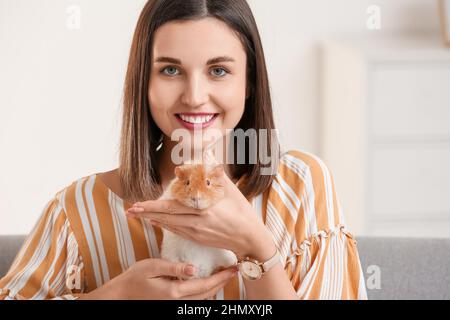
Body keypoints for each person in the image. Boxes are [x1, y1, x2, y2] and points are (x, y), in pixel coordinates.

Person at [0, 0, 367, 300]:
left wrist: (257, 247)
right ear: (143, 82)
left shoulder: (301, 187)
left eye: (219, 71)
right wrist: (117, 296)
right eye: (171, 70)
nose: (194, 97)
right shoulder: (78, 209)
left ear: (250, 82)